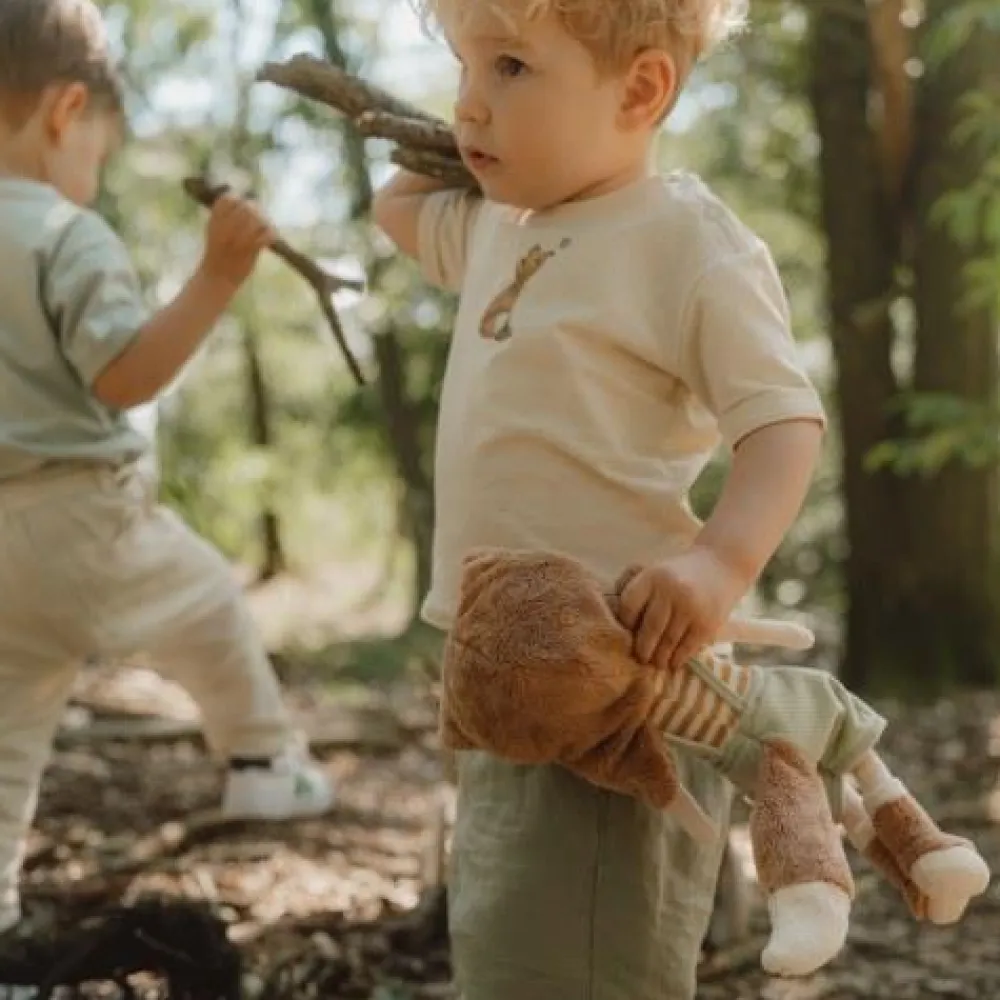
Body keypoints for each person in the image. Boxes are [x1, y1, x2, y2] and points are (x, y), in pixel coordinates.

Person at [371, 0, 828, 997]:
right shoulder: (501, 222)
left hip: (619, 673)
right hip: (499, 665)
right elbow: (396, 212)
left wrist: (717, 564)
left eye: (512, 70)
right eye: (460, 67)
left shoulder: (682, 239)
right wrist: (479, 123)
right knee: (502, 933)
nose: (467, 104)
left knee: (581, 959)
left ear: (640, 89)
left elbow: (783, 423)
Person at [0, 0, 334, 935]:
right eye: (97, 155)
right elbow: (123, 376)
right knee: (212, 608)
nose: (91, 176)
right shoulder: (64, 234)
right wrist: (218, 277)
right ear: (67, 112)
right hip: (87, 520)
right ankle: (263, 764)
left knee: (4, 752)